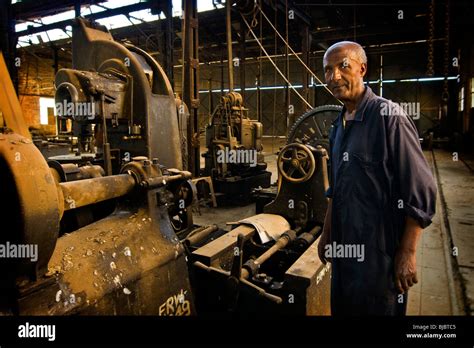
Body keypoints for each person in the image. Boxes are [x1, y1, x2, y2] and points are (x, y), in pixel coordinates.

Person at [317, 41, 437, 315]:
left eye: (342, 66)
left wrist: (407, 252)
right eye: (327, 70)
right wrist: (326, 234)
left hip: (379, 256)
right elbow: (336, 189)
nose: (333, 76)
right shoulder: (338, 126)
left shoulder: (389, 118)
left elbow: (420, 191)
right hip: (345, 251)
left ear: (362, 68)